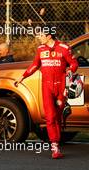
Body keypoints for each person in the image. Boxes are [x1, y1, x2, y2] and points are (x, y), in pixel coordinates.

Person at [15, 27, 78, 159]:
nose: (39, 37)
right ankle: (55, 146)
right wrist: (23, 76)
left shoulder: (64, 48)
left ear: (49, 36)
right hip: (46, 87)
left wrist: (70, 70)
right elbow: (35, 65)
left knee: (57, 117)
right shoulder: (40, 49)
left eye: (42, 35)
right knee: (49, 117)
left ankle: (57, 139)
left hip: (61, 87)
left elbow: (74, 63)